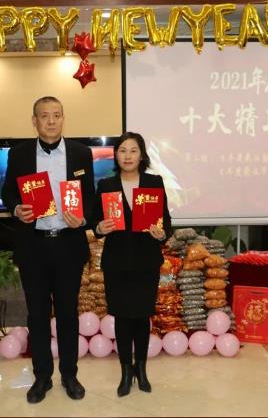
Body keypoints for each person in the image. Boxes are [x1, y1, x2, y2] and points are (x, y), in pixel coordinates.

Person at [1, 96, 95, 404]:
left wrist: (83, 218)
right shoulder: (19, 154)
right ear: (35, 121)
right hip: (34, 246)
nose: (51, 121)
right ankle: (42, 376)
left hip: (68, 245)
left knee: (68, 313)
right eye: (45, 116)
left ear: (63, 118)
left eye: (56, 115)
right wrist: (16, 209)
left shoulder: (81, 153)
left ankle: (70, 374)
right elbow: (8, 191)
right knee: (38, 314)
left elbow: (90, 197)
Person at [93, 132, 173, 397]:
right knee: (122, 318)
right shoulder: (106, 185)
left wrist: (161, 233)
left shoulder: (153, 182)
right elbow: (95, 221)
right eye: (122, 150)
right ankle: (126, 371)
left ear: (141, 155)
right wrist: (100, 228)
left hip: (146, 261)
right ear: (116, 155)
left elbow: (166, 222)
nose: (127, 156)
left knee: (141, 316)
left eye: (133, 150)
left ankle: (142, 368)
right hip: (117, 263)